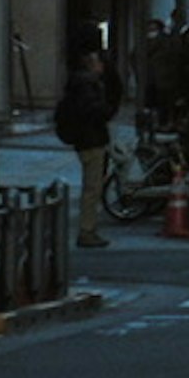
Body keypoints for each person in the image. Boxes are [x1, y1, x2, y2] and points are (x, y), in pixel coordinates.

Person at [54, 35, 119, 237]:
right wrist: (107, 109)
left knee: (92, 186)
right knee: (92, 188)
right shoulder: (87, 86)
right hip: (91, 139)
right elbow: (93, 112)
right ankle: (87, 229)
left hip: (87, 139)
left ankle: (88, 228)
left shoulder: (79, 83)